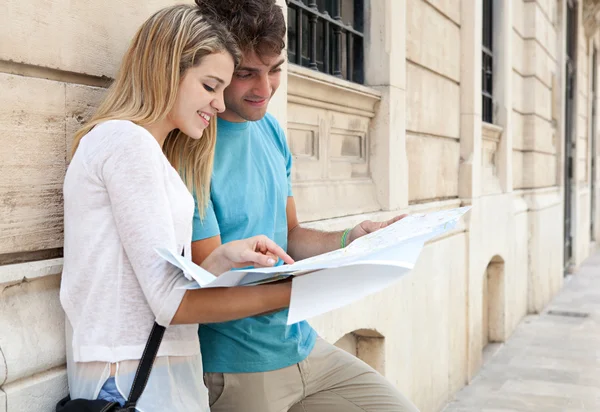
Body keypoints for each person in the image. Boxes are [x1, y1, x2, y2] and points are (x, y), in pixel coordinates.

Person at [60, 5, 295, 412]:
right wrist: (293, 293)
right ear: (167, 70)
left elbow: (155, 280)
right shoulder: (125, 144)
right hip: (130, 378)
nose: (220, 105)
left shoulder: (145, 151)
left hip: (151, 372)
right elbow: (172, 304)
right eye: (209, 86)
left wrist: (221, 258)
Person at [190, 1, 419, 411]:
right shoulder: (192, 148)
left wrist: (351, 239)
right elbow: (209, 293)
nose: (264, 89)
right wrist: (306, 287)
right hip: (240, 368)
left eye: (275, 69)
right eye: (246, 74)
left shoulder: (272, 131)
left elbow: (290, 235)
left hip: (304, 345)